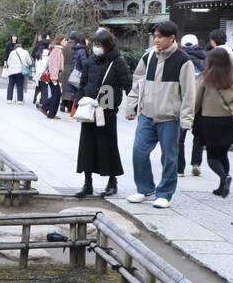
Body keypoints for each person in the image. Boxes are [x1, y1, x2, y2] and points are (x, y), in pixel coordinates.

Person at [124, 20, 196, 208]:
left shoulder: (183, 60)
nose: (155, 40)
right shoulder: (148, 57)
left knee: (169, 157)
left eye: (159, 36)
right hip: (146, 115)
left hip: (170, 118)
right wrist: (131, 107)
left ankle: (164, 193)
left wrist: (186, 120)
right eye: (154, 36)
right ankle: (145, 189)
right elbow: (137, 83)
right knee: (138, 152)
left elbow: (189, 93)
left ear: (171, 38)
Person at [74, 28, 132, 197]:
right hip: (89, 110)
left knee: (108, 145)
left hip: (107, 110)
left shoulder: (118, 62)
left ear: (107, 45)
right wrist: (79, 101)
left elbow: (128, 84)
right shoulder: (90, 61)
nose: (96, 48)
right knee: (87, 146)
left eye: (99, 45)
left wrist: (133, 107)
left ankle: (112, 182)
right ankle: (87, 184)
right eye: (94, 44)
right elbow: (83, 83)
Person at [194, 47, 233, 198]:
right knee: (223, 154)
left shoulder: (204, 78)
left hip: (209, 121)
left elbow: (196, 101)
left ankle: (224, 177)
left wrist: (187, 119)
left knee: (212, 157)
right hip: (229, 121)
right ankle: (222, 187)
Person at [176, 34, 207, 176]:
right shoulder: (205, 57)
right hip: (201, 101)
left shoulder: (179, 58)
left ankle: (179, 168)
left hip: (183, 100)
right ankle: (196, 163)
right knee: (199, 135)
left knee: (179, 136)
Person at [39, 37, 65, 118]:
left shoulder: (58, 50)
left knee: (56, 94)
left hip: (53, 76)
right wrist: (54, 78)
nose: (66, 41)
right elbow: (52, 65)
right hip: (53, 76)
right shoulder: (56, 50)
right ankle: (50, 113)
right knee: (57, 94)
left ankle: (45, 108)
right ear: (60, 41)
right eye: (64, 40)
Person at [66, 32, 89, 116]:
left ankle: (73, 113)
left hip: (75, 73)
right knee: (79, 94)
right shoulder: (82, 50)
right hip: (80, 75)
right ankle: (74, 113)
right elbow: (84, 63)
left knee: (75, 95)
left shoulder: (76, 49)